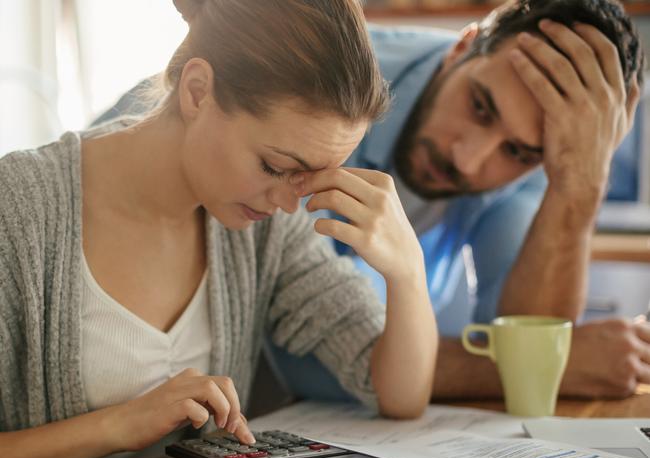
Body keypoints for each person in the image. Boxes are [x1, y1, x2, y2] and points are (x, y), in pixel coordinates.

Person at [102, 0, 648, 404]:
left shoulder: (542, 156)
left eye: (518, 152)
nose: (470, 160)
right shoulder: (325, 96)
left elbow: (524, 348)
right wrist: (529, 367)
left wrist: (578, 187)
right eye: (480, 106)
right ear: (461, 46)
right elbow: (319, 364)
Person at [0, 1, 440, 458]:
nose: (288, 203)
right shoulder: (18, 211)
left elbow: (398, 396)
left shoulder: (263, 225)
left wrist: (407, 272)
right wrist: (116, 425)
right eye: (274, 167)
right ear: (196, 91)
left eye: (306, 179)